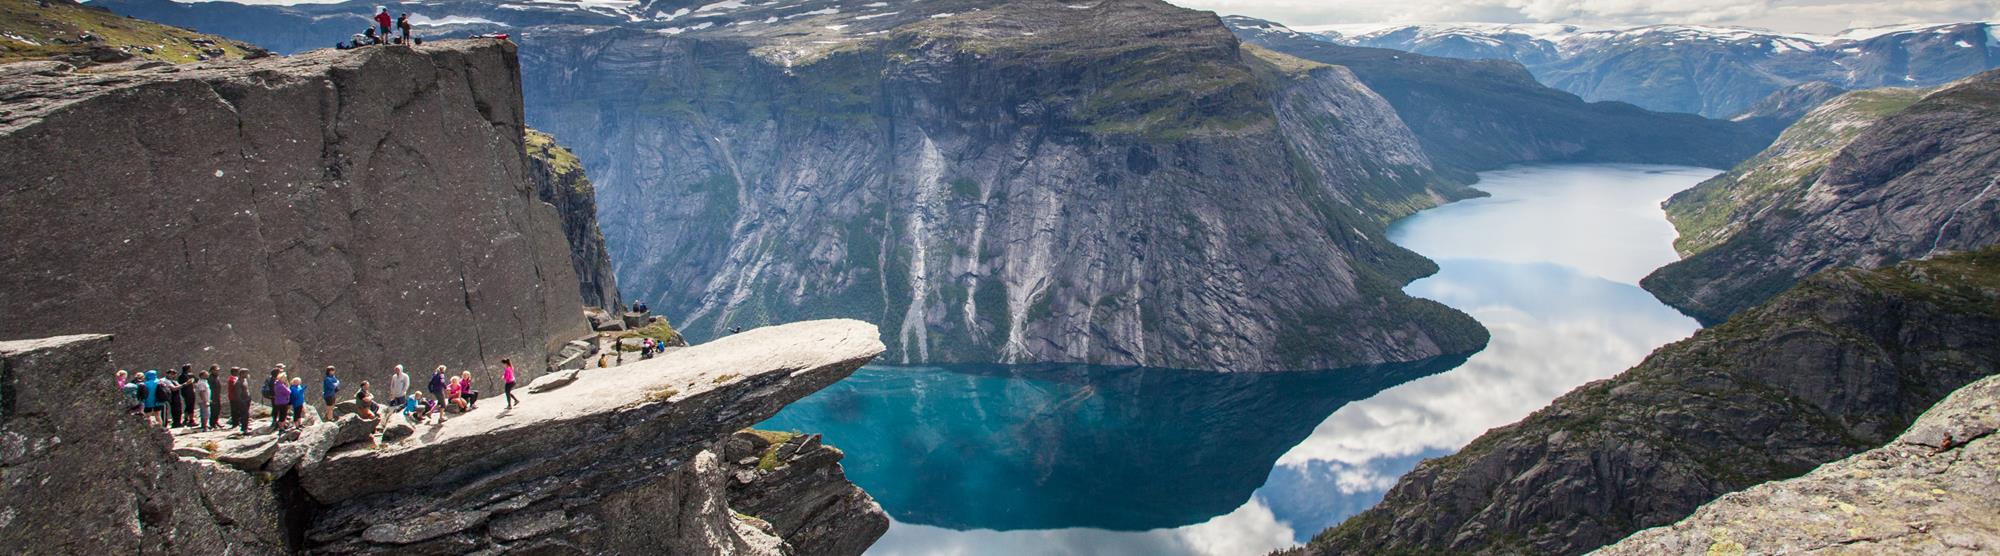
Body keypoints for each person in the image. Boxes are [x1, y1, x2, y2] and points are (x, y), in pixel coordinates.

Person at [228, 368, 251, 433]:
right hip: (242, 401)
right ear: (242, 374)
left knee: (247, 414)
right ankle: (244, 429)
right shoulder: (238, 382)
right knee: (244, 414)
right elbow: (238, 394)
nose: (247, 374)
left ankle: (246, 426)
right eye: (246, 373)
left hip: (247, 400)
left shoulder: (245, 380)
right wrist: (242, 401)